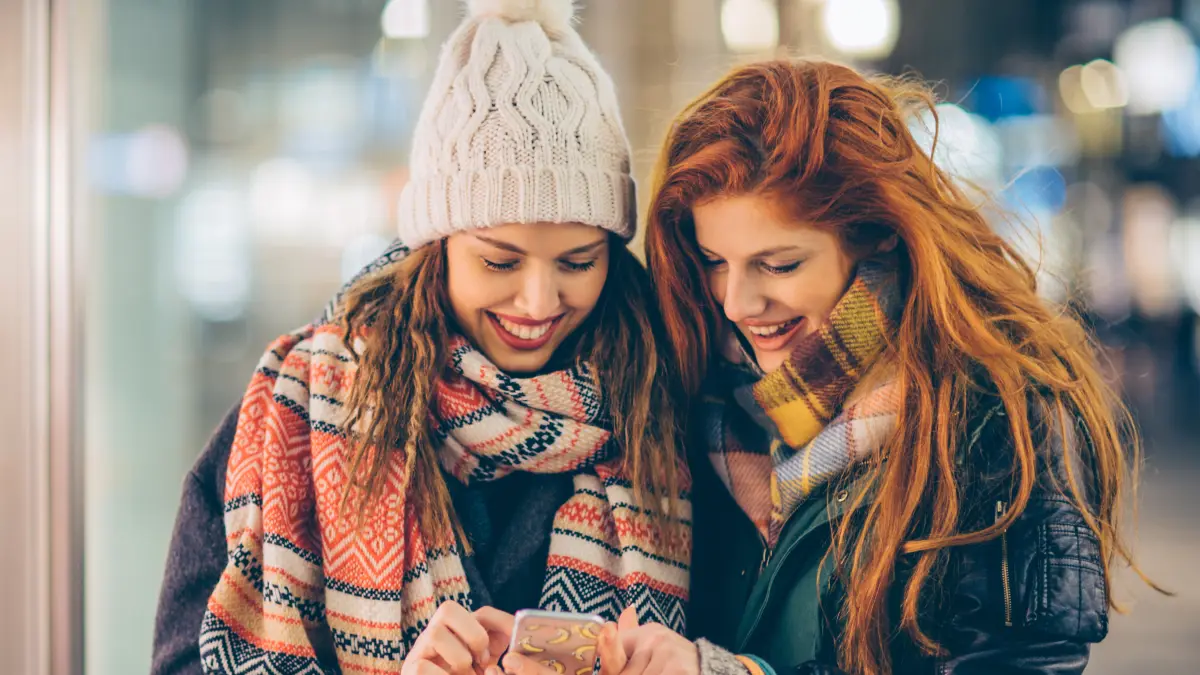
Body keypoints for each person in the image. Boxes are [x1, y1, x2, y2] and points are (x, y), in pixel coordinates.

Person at [151, 2, 690, 673]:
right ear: (435, 247)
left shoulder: (668, 413)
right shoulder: (294, 415)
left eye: (578, 262)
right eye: (500, 260)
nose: (539, 300)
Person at [625, 59, 1151, 675]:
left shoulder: (993, 418)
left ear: (878, 234)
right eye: (715, 260)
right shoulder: (691, 392)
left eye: (780, 265)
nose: (738, 303)